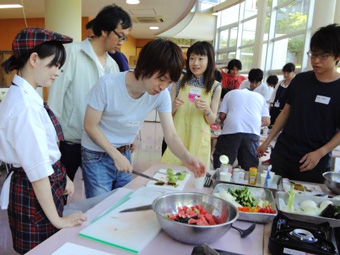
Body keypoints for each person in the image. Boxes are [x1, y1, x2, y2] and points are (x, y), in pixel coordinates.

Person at [81, 39, 206, 198]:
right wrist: (115, 155)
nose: (163, 86)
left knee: (121, 201)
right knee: (99, 205)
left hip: (124, 152)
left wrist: (187, 158)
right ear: (146, 66)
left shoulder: (161, 95)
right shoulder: (108, 84)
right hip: (96, 154)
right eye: (161, 78)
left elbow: (171, 135)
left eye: (169, 82)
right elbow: (90, 126)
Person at [0, 28, 87, 254]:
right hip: (33, 191)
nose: (57, 72)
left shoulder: (29, 96)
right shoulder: (23, 107)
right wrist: (58, 220)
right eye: (54, 65)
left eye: (59, 66)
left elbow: (45, 150)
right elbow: (37, 173)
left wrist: (64, 176)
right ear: (34, 59)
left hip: (44, 185)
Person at [48, 5, 132, 182]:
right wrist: (52, 140)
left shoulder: (113, 66)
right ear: (104, 30)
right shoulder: (71, 53)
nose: (122, 42)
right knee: (60, 190)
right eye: (120, 36)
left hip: (98, 144)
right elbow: (55, 98)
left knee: (98, 198)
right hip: (70, 142)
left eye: (125, 37)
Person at [257, 24, 340, 183]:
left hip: (312, 160)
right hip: (283, 153)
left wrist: (321, 153)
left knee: (304, 204)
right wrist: (267, 141)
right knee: (272, 196)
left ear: (337, 56)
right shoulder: (301, 80)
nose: (316, 60)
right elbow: (286, 112)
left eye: (323, 56)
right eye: (313, 54)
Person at [161, 41, 222, 168]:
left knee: (195, 178)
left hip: (198, 140)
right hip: (178, 137)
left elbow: (211, 120)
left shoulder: (215, 87)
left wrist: (206, 110)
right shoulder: (179, 82)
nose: (195, 63)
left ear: (209, 61)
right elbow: (167, 112)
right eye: (192, 58)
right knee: (171, 175)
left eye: (200, 59)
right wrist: (174, 106)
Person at [213, 84, 270, 171]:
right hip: (252, 133)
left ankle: (221, 180)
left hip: (231, 131)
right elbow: (267, 121)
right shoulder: (260, 97)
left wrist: (228, 122)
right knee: (249, 167)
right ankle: (247, 182)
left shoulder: (230, 93)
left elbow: (222, 116)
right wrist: (252, 123)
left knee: (223, 164)